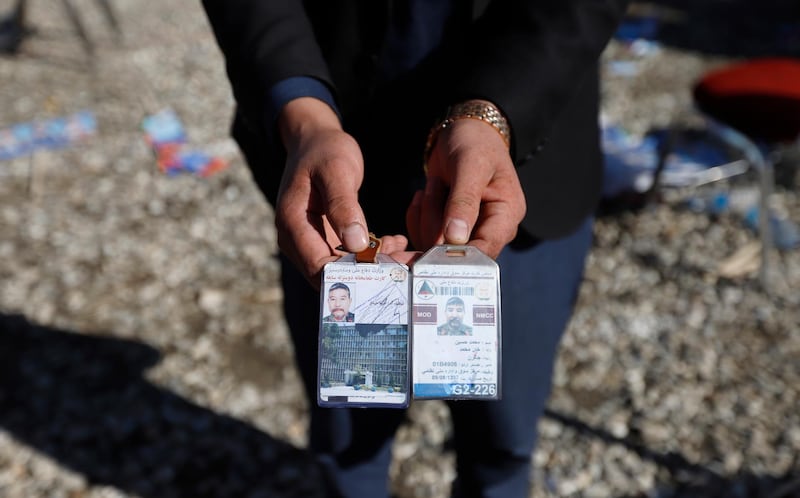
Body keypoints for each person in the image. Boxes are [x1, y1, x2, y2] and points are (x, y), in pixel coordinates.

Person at [201, 1, 629, 497]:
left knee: (504, 442)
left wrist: (492, 114)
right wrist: (304, 116)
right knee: (348, 442)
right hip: (333, 168)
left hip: (513, 175)